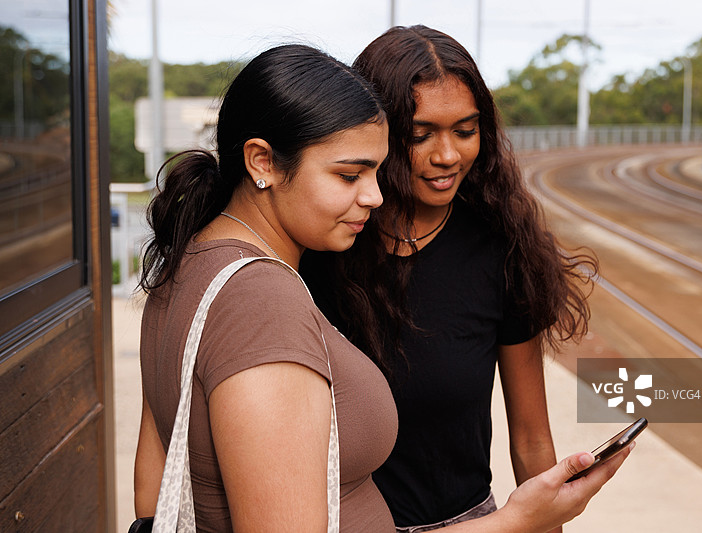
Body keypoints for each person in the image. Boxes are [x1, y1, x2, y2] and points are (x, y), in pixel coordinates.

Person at [133, 42, 629, 533]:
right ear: (262, 162)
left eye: (466, 130)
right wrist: (515, 522)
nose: (372, 195)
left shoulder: (196, 262)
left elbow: (155, 487)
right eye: (350, 174)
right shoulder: (270, 291)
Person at [301, 26, 602, 532]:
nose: (448, 156)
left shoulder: (502, 249)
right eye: (420, 136)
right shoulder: (322, 247)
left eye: (465, 130)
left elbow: (530, 438)